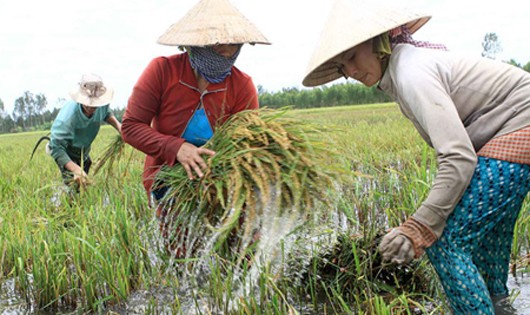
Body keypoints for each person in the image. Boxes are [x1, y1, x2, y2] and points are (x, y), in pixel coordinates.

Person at [302, 0, 530, 313]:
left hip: (519, 129)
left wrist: (420, 227)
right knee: (488, 242)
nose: (351, 71)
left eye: (353, 57)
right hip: (514, 134)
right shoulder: (405, 67)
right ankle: (501, 307)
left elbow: (459, 157)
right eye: (342, 68)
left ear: (380, 40)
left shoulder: (411, 71)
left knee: (447, 243)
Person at [121, 0, 270, 256]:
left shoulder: (242, 86)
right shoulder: (162, 71)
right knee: (182, 251)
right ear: (195, 44)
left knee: (239, 245)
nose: (227, 51)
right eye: (217, 44)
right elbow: (131, 127)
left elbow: (246, 148)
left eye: (234, 44)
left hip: (219, 177)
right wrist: (176, 148)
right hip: (169, 178)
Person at [48, 73, 122, 191]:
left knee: (84, 179)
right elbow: (56, 148)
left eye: (96, 103)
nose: (92, 106)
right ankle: (70, 204)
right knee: (73, 187)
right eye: (89, 103)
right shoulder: (67, 119)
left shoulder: (101, 105)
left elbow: (106, 113)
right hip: (67, 152)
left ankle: (81, 201)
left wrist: (119, 126)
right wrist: (75, 169)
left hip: (83, 151)